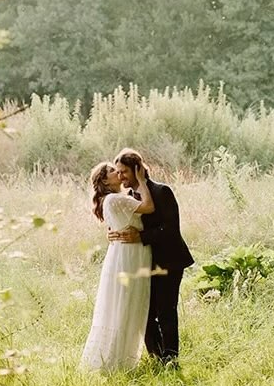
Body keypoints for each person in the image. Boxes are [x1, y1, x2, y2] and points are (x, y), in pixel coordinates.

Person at [109, 148, 193, 365]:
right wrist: (114, 232)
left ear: (137, 169)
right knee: (144, 311)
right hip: (141, 262)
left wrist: (140, 236)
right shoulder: (128, 198)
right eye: (117, 172)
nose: (120, 177)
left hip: (168, 260)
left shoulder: (162, 191)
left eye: (124, 172)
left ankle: (171, 359)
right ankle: (156, 357)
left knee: (165, 310)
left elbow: (171, 229)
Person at [80, 160, 155, 371]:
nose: (119, 173)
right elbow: (149, 207)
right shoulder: (114, 199)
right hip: (129, 254)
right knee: (126, 304)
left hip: (126, 252)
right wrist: (141, 181)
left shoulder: (116, 199)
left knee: (125, 303)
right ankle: (117, 360)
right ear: (105, 180)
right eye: (113, 171)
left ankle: (121, 357)